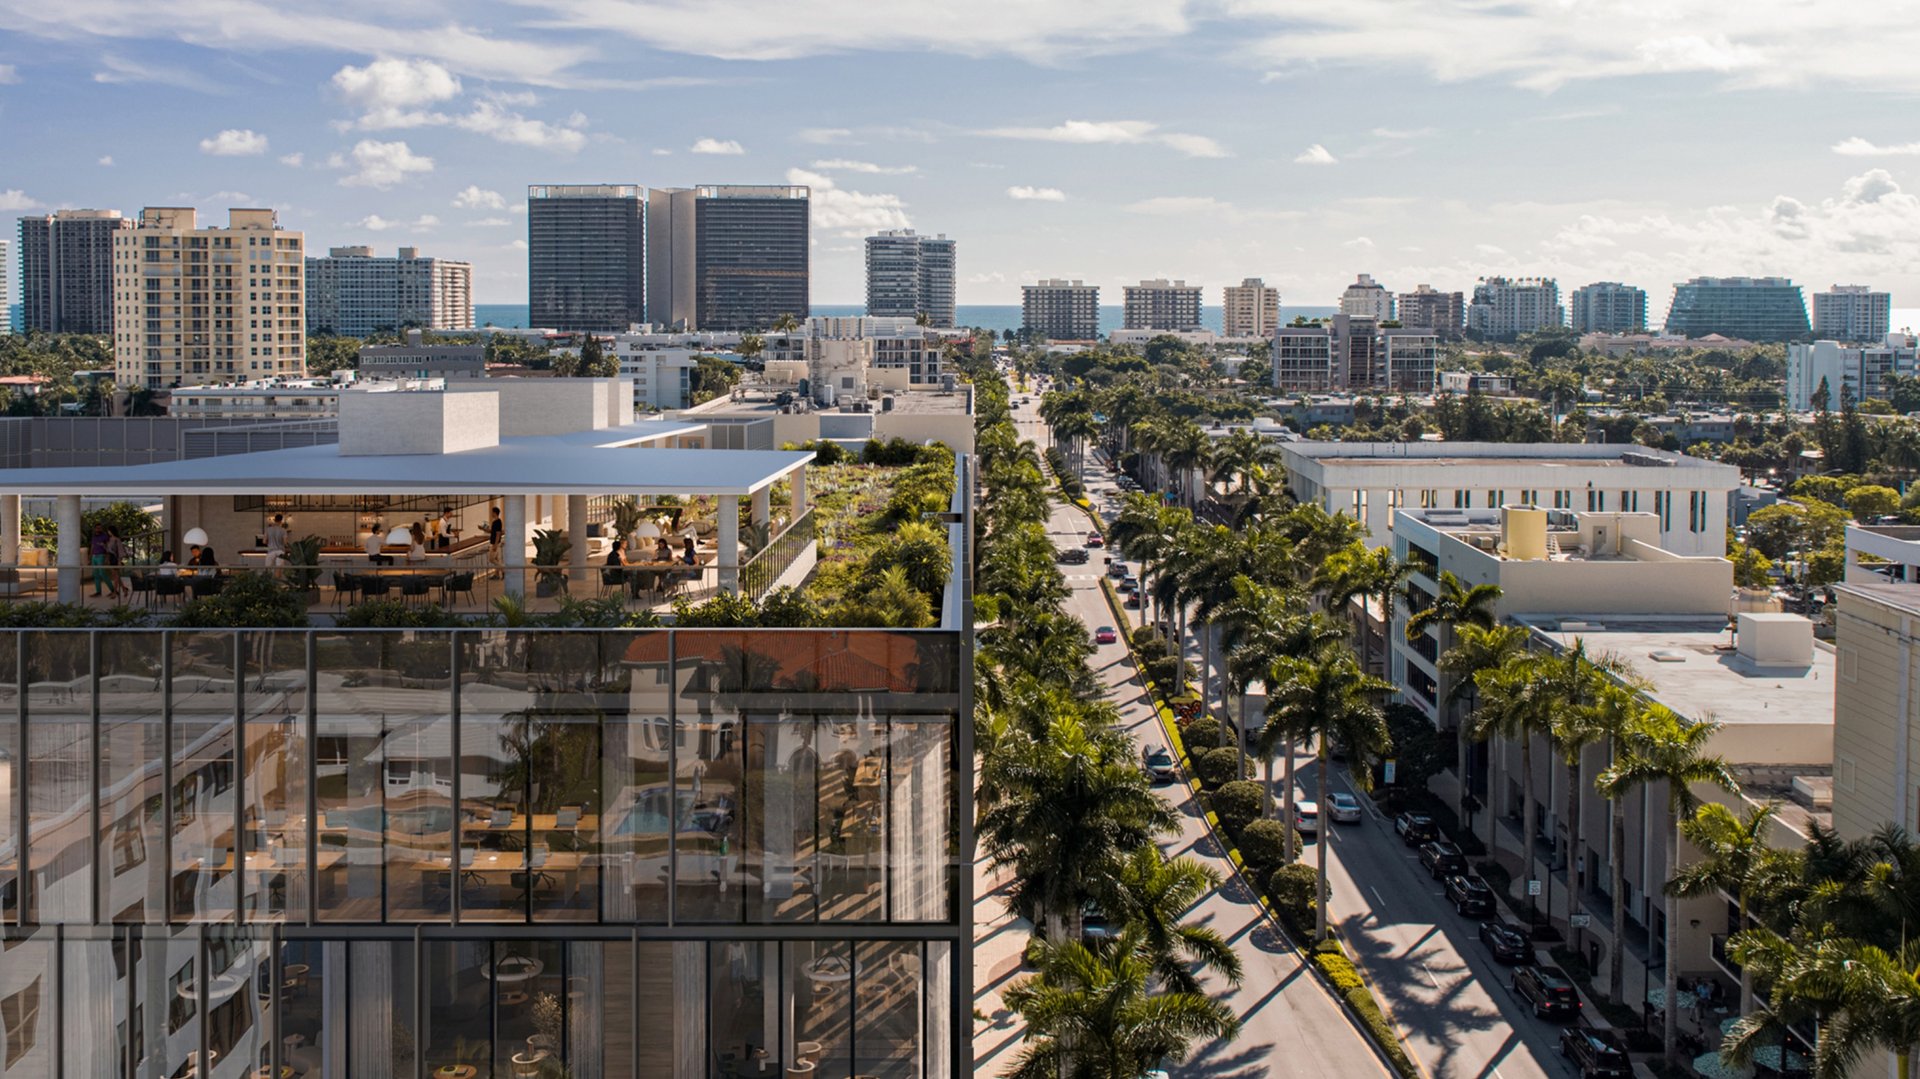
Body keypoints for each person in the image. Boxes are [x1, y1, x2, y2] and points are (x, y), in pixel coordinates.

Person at [103, 526, 131, 601]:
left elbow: (120, 551)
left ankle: (115, 592)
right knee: (116, 576)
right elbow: (108, 550)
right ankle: (124, 589)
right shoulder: (110, 540)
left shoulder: (116, 540)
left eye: (109, 531)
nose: (108, 532)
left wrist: (119, 561)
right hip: (111, 558)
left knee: (115, 576)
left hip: (115, 559)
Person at [89, 523, 110, 597]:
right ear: (95, 529)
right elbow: (92, 546)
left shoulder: (105, 536)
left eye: (100, 528)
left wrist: (107, 558)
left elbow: (108, 547)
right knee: (96, 575)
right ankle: (98, 592)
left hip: (101, 555)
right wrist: (90, 556)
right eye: (97, 528)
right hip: (94, 556)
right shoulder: (94, 537)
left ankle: (113, 590)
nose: (99, 529)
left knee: (102, 574)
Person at [487, 506, 505, 579]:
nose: (491, 514)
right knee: (497, 559)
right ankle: (497, 575)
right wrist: (483, 529)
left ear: (495, 513)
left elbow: (498, 534)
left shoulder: (497, 522)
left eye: (492, 512)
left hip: (495, 543)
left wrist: (495, 545)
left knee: (491, 559)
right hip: (495, 542)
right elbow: (492, 532)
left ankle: (504, 570)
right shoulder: (495, 522)